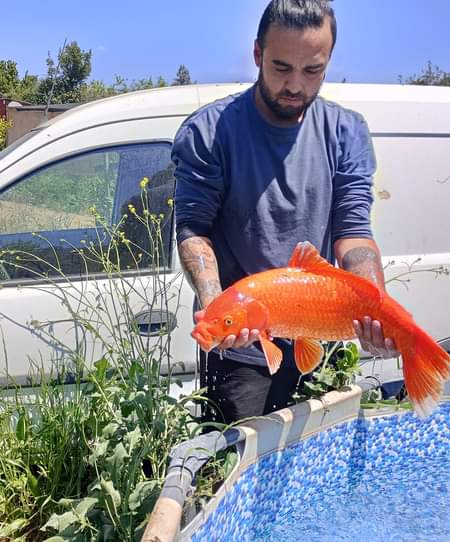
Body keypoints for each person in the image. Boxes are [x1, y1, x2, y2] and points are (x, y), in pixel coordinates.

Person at [171, 0, 399, 426]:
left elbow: (352, 231)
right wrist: (215, 305)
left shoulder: (346, 131)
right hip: (240, 350)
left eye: (312, 70)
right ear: (257, 54)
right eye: (280, 67)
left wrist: (375, 306)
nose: (295, 84)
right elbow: (193, 228)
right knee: (234, 467)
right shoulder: (209, 131)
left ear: (328, 61)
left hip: (318, 332)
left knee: (315, 469)